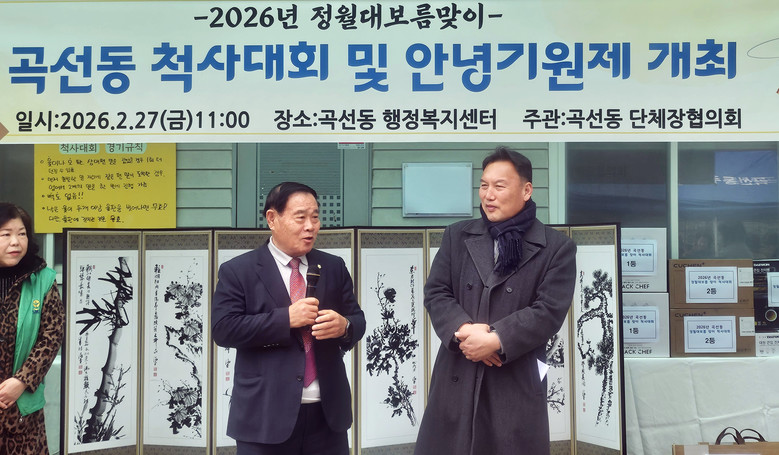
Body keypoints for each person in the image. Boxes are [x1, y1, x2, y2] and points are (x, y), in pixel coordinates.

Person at [414, 147, 577, 455]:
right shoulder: (457, 236)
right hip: (458, 369)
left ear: (526, 190)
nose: (488, 195)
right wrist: (465, 331)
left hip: (514, 375)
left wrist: (496, 339)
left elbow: (548, 311)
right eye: (484, 185)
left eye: (499, 186)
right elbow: (436, 291)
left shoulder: (557, 248)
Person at [212, 182, 365, 455]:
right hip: (264, 416)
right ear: (272, 219)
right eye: (301, 217)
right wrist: (286, 319)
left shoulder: (333, 266)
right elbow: (224, 329)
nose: (311, 226)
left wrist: (345, 326)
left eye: (315, 217)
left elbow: (357, 319)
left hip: (327, 415)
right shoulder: (238, 270)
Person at [0, 203, 64, 454]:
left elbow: (52, 335)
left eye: (22, 233)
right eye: (6, 234)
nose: (15, 241)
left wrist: (22, 381)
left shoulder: (43, 279)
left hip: (23, 409)